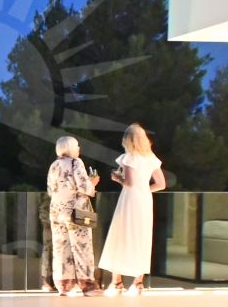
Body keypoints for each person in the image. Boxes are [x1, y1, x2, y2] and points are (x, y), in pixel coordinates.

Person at [99, 124, 165, 295]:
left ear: (128, 140)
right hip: (145, 201)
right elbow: (161, 184)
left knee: (120, 235)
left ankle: (117, 283)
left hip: (129, 200)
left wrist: (117, 178)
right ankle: (138, 283)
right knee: (141, 238)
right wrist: (144, 191)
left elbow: (129, 183)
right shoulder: (151, 158)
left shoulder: (129, 157)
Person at [46, 136, 100, 296]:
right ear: (71, 148)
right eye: (77, 146)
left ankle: (64, 285)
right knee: (82, 247)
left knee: (61, 248)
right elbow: (84, 186)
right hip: (75, 211)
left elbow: (50, 190)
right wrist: (93, 182)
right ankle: (87, 286)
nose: (79, 148)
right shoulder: (76, 162)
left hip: (56, 211)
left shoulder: (54, 165)